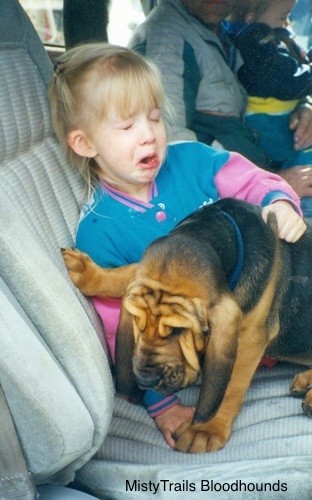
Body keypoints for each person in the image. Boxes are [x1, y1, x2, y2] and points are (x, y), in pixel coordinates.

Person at [49, 43, 306, 448]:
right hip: (234, 345)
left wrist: (279, 201)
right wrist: (162, 403)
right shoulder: (101, 232)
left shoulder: (193, 162)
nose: (149, 135)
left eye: (154, 118)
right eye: (127, 126)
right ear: (84, 143)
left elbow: (252, 179)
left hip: (276, 316)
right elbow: (123, 327)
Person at [128, 0, 312, 219]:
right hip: (235, 202)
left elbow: (265, 87)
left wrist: (304, 105)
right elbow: (170, 147)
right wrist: (274, 183)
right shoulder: (167, 39)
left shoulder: (220, 30)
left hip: (262, 170)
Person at [224, 0, 312, 218]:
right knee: (303, 156)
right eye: (283, 17)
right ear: (251, 18)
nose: (288, 23)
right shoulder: (254, 41)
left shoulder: (269, 37)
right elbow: (287, 80)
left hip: (280, 118)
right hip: (269, 123)